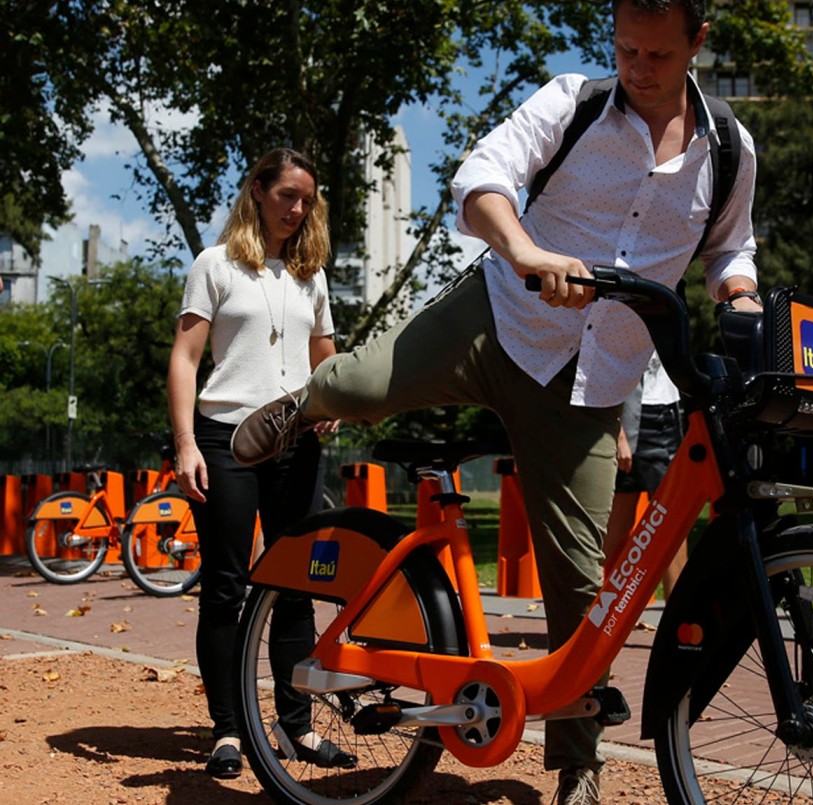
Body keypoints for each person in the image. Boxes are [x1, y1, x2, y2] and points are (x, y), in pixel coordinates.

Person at [227, 2, 760, 801]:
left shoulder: (728, 148)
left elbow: (729, 246)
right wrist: (524, 249)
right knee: (362, 385)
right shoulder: (575, 102)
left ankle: (578, 765)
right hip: (497, 320)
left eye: (657, 54)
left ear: (698, 43)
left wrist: (740, 294)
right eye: (625, 49)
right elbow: (482, 175)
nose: (638, 68)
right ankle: (302, 404)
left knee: (583, 591)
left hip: (589, 384)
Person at [167, 148, 351, 778]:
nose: (296, 210)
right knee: (226, 586)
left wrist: (331, 400)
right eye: (286, 196)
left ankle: (296, 726)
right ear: (258, 192)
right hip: (225, 442)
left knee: (297, 584)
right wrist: (186, 443)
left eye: (306, 201)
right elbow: (186, 358)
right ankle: (227, 730)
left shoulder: (311, 275)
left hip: (295, 442)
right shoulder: (214, 264)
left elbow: (325, 358)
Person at [604, 352, 686, 594]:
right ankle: (579, 603)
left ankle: (677, 611)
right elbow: (604, 366)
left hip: (671, 415)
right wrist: (619, 433)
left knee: (673, 523)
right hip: (635, 421)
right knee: (617, 524)